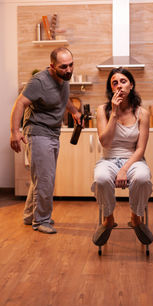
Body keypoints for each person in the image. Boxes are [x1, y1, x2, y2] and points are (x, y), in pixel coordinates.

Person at [10, 47, 81, 234]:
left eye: (71, 65)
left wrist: (74, 111)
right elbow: (20, 103)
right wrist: (14, 132)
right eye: (63, 66)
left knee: (40, 178)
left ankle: (29, 216)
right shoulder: (39, 81)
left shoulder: (64, 79)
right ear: (52, 66)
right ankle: (41, 220)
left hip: (53, 132)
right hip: (37, 131)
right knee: (45, 179)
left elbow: (62, 98)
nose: (69, 70)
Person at [92, 67, 153, 246]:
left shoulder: (142, 113)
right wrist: (113, 112)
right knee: (101, 178)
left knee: (142, 177)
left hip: (134, 159)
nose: (119, 86)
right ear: (111, 89)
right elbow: (104, 142)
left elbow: (141, 149)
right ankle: (108, 219)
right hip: (108, 159)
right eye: (115, 83)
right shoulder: (102, 110)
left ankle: (136, 217)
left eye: (123, 81)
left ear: (131, 85)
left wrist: (124, 170)